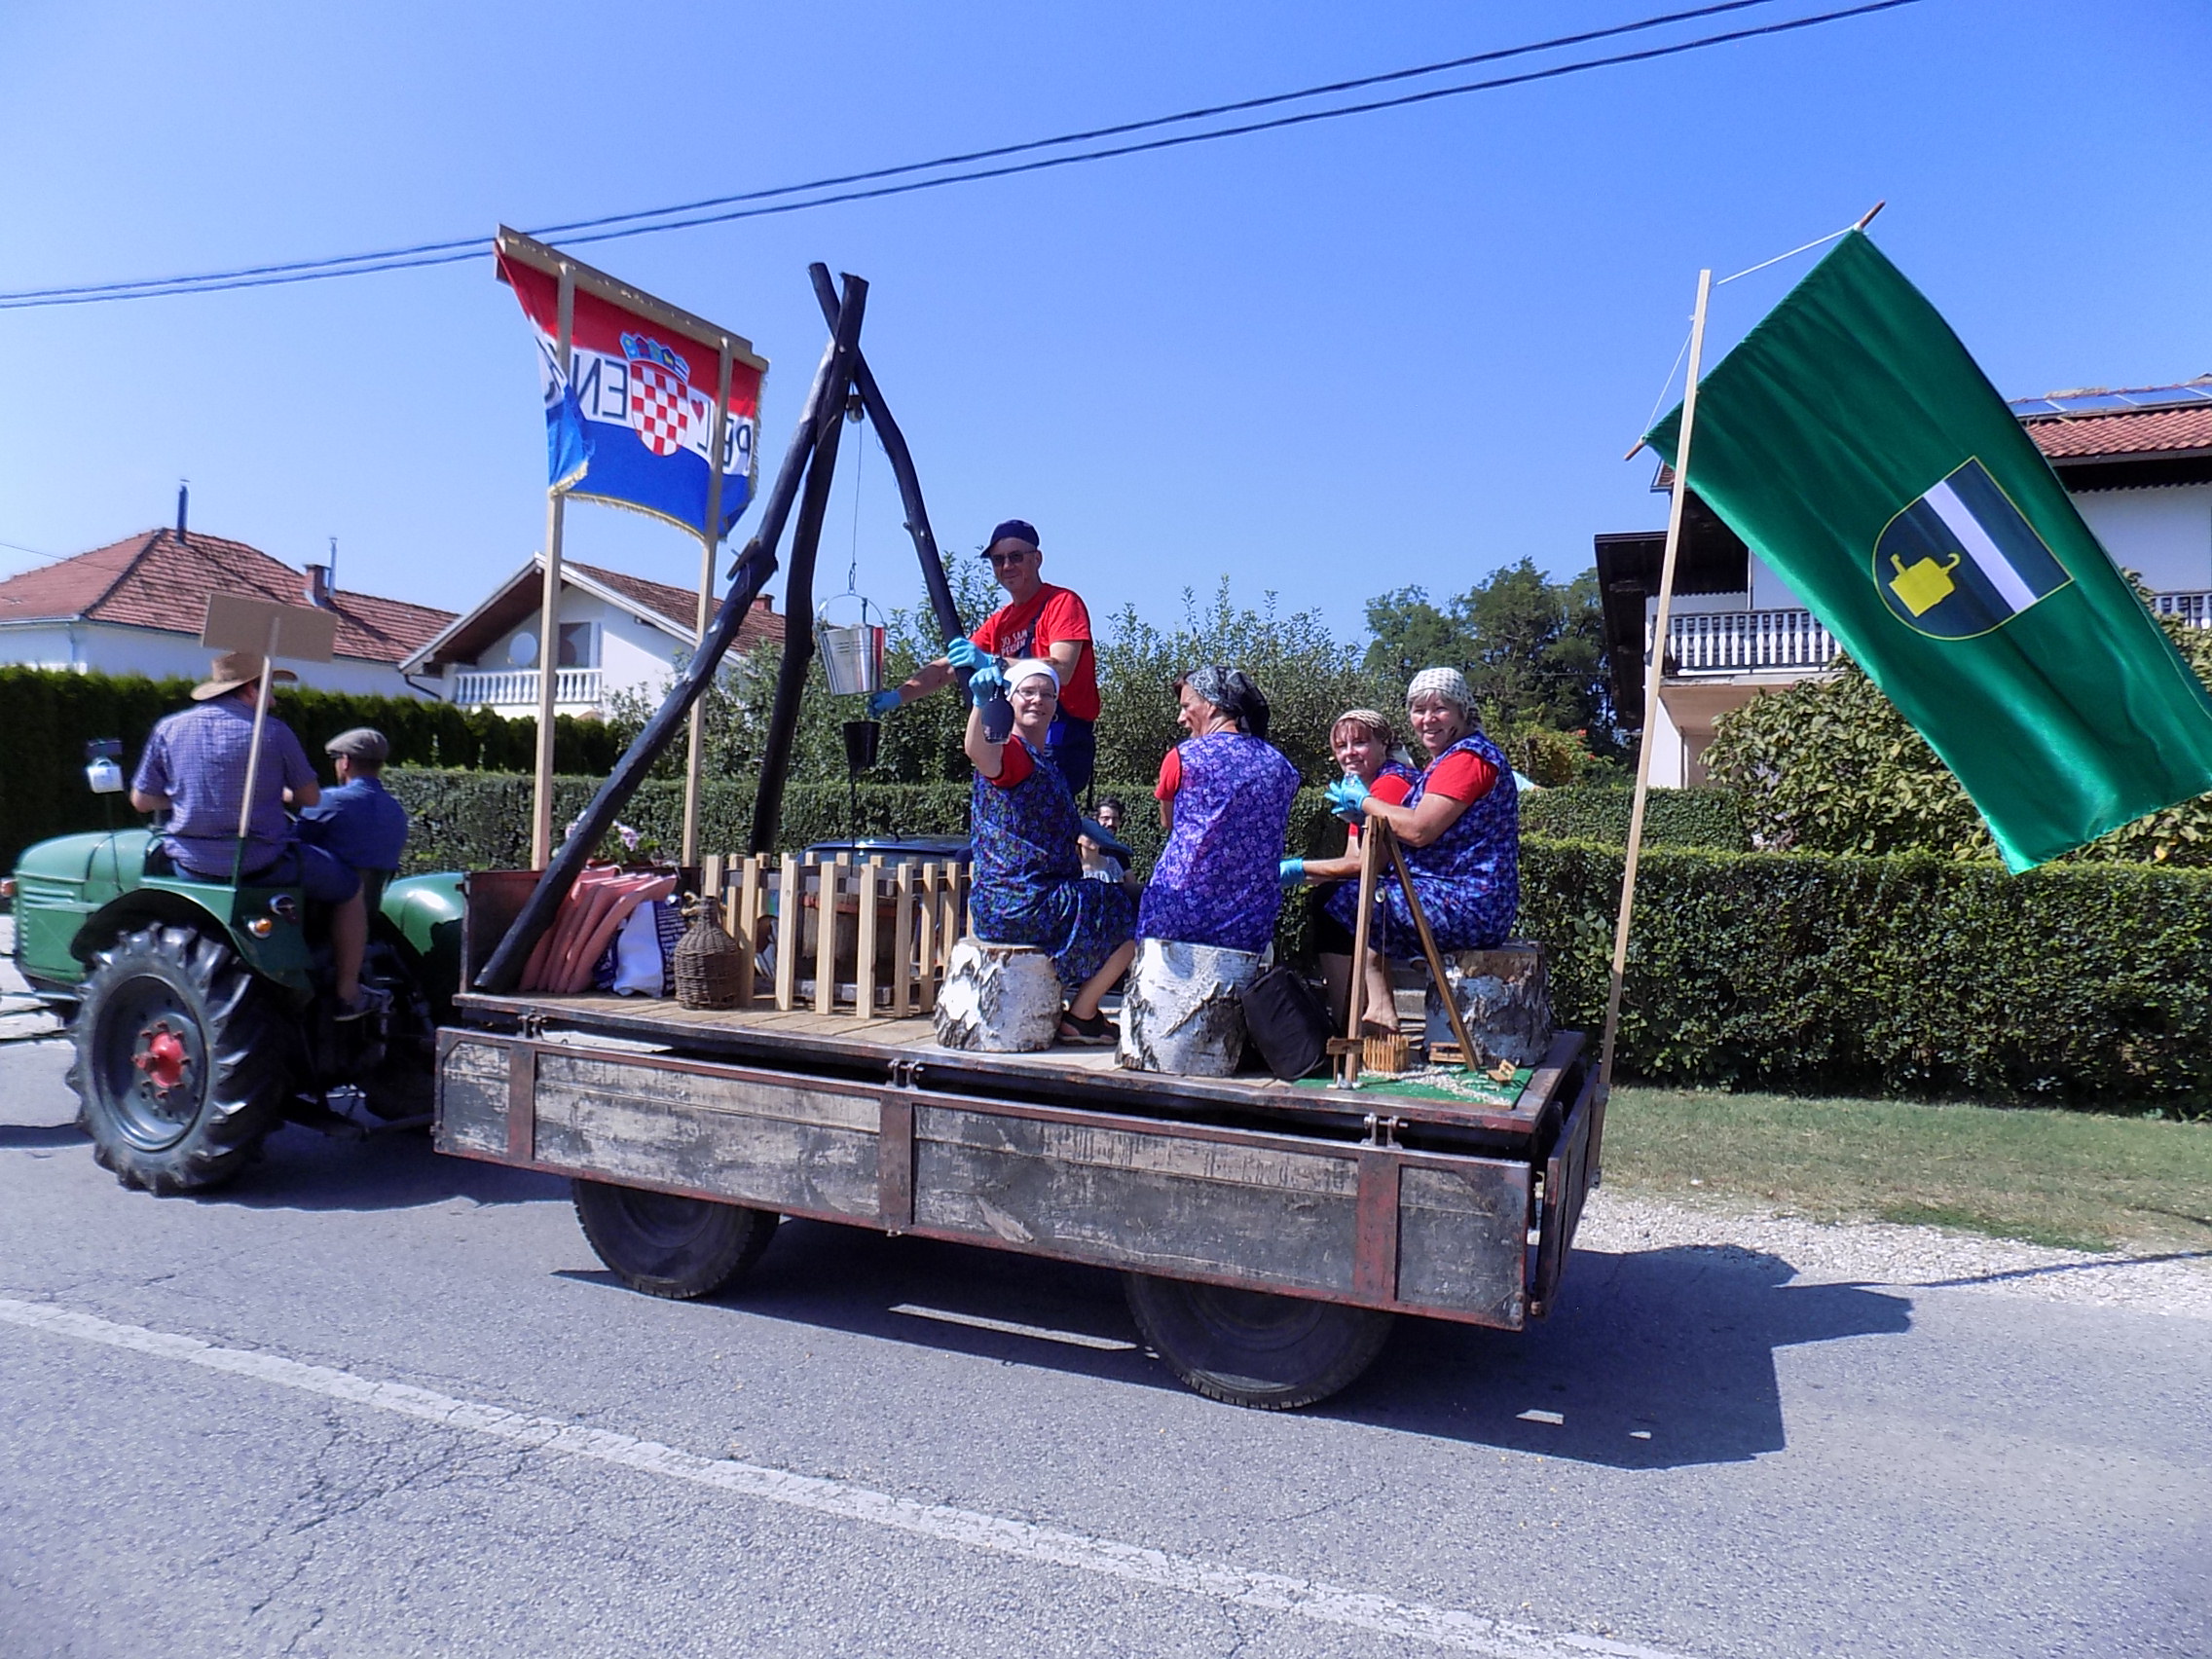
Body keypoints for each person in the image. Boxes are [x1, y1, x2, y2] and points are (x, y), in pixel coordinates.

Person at [129, 650, 372, 1014]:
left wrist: (186, 799)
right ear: (249, 690)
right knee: (351, 888)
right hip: (261, 864)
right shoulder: (274, 732)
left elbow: (142, 800)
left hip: (190, 866)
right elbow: (309, 798)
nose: (273, 699)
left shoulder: (169, 728)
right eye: (269, 689)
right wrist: (272, 793)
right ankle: (348, 992)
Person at [964, 657, 1135, 1045]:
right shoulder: (1013, 751)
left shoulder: (1044, 762)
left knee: (1116, 901)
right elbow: (980, 752)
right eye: (1027, 692)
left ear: (1056, 706)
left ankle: (1074, 1008)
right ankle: (1083, 1015)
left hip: (1014, 901)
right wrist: (980, 704)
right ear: (1009, 698)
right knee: (1137, 911)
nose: (1037, 700)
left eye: (1047, 694)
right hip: (1028, 901)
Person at [1320, 668, 1519, 1000]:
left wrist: (1365, 803)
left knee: (1333, 903)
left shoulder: (1467, 759)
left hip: (1468, 903)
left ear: (1462, 711)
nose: (1427, 719)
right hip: (1458, 895)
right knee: (1350, 900)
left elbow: (1418, 830)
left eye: (1439, 709)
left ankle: (1358, 1018)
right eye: (1418, 710)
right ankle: (1375, 1013)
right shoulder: (1449, 759)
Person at [871, 519, 1102, 793]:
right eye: (998, 560)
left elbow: (1061, 669)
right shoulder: (1001, 622)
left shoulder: (1061, 603)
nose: (1007, 566)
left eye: (1016, 557)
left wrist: (994, 662)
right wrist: (897, 696)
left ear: (1037, 559)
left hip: (1059, 735)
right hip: (1013, 735)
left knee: (1042, 809)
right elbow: (947, 668)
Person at [1279, 710, 1423, 1034]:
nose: (1349, 753)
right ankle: (1355, 1016)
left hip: (1418, 892)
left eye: (1359, 743)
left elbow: (1368, 864)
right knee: (1329, 895)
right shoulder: (1361, 787)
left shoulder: (1389, 784)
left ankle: (1355, 1019)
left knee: (1330, 903)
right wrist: (1304, 875)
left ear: (1383, 743)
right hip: (1394, 886)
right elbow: (1352, 858)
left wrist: (1298, 869)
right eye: (1341, 746)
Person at [1138, 667, 1300, 955]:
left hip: (1180, 915)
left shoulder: (1182, 758)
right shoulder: (1282, 767)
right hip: (1251, 922)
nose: (1180, 718)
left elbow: (1168, 821)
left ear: (1212, 705)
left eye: (1186, 706)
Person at [299, 728, 410, 905]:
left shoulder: (329, 800)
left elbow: (293, 844)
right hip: (371, 906)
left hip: (320, 908)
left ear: (345, 761)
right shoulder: (395, 810)